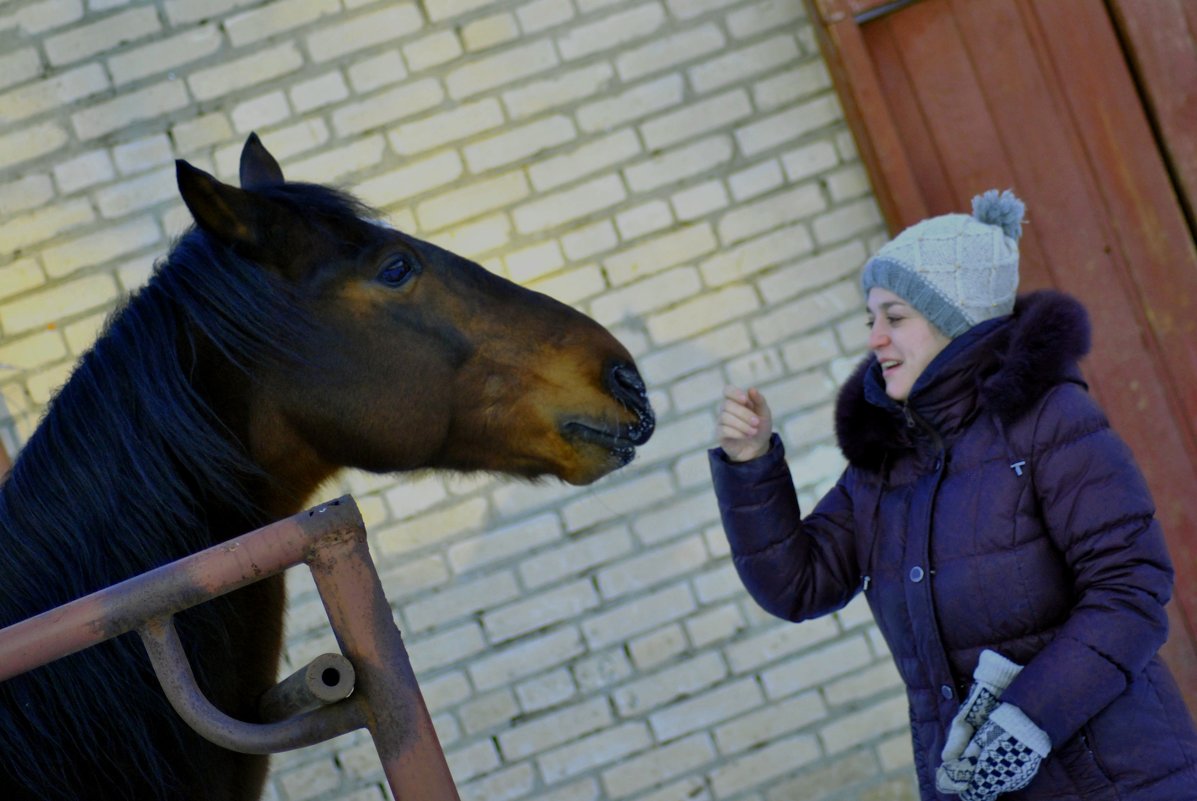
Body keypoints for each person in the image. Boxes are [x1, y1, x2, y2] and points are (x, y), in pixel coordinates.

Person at [709, 189, 1197, 800]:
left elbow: (1132, 589)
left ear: (956, 318)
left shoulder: (1048, 421)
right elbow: (798, 583)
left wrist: (1026, 722)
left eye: (895, 317)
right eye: (871, 321)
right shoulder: (884, 465)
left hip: (1117, 783)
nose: (875, 340)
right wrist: (751, 464)